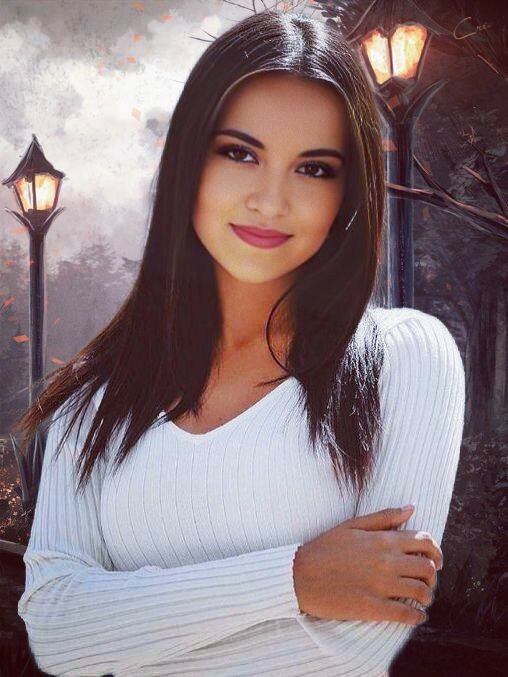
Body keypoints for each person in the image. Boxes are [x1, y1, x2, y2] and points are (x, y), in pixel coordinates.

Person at [16, 9, 465, 677]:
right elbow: (57, 630)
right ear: (188, 162)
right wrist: (295, 580)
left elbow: (360, 640)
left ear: (348, 193)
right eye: (239, 153)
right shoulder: (95, 402)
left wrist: (122, 622)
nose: (270, 201)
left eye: (314, 168)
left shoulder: (403, 357)